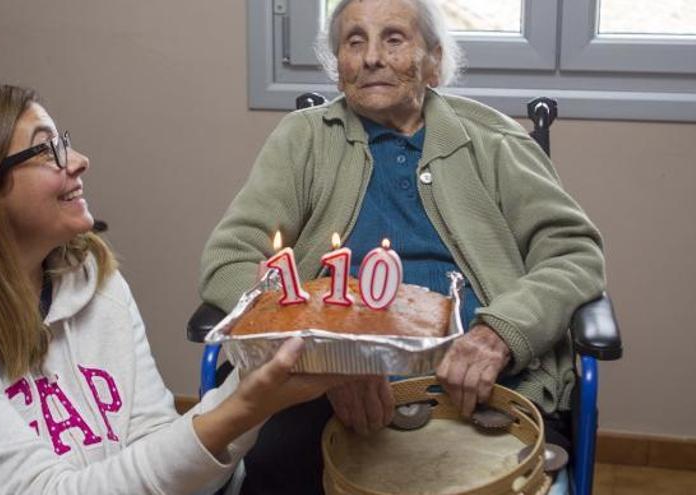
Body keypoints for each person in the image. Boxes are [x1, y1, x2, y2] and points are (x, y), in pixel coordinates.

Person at [0, 78, 348, 494]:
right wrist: (243, 406)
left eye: (64, 141)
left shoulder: (94, 283)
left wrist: (256, 379)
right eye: (47, 149)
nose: (79, 161)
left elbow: (154, 449)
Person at [198, 0, 605, 493]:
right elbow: (229, 260)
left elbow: (572, 251)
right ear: (338, 64)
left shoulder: (494, 141)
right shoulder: (302, 141)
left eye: (393, 38)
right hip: (319, 393)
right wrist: (329, 360)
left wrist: (500, 334)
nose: (371, 57)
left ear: (433, 61)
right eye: (354, 41)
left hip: (485, 384)